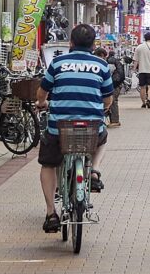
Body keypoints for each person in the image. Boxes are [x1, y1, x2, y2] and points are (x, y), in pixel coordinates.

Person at [38, 23, 115, 233]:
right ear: (93, 44)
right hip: (91, 127)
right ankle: (95, 171)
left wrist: (41, 103)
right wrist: (104, 108)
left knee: (48, 164)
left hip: (58, 128)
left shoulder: (57, 63)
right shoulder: (101, 65)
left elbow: (42, 93)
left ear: (71, 43)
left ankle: (51, 212)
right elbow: (108, 99)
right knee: (103, 137)